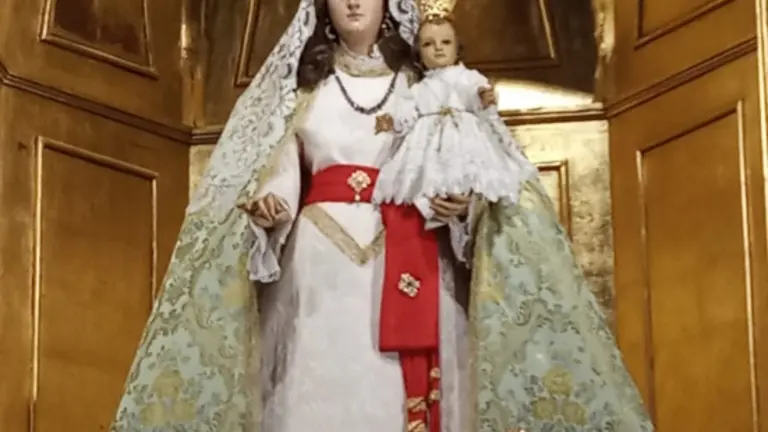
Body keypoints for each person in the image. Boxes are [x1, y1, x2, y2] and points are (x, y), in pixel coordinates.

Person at [110, 0, 655, 431]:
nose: (353, 3)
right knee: (315, 384)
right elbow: (282, 172)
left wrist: (460, 205)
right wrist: (272, 209)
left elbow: (461, 158)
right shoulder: (303, 90)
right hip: (317, 267)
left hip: (409, 247)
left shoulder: (424, 86)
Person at [372, 4, 537, 213]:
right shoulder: (419, 89)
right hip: (429, 146)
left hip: (464, 139)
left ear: (457, 48)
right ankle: (435, 203)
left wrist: (482, 98)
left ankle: (467, 201)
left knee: (470, 172)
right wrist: (393, 122)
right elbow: (409, 114)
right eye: (428, 44)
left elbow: (474, 93)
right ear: (419, 53)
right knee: (428, 178)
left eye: (446, 42)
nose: (438, 48)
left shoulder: (467, 77)